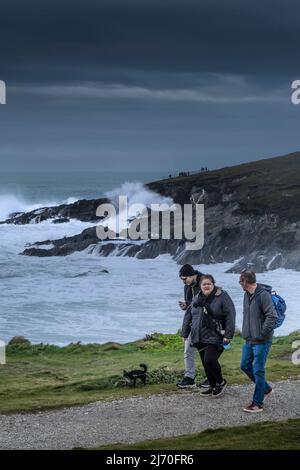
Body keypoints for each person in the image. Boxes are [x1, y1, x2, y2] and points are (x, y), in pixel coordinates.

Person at [190, 274, 236, 397]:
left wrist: (228, 335)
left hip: (216, 335)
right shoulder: (197, 298)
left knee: (209, 359)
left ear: (213, 284)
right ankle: (212, 385)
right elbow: (190, 315)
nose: (206, 286)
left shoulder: (222, 296)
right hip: (199, 336)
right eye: (204, 284)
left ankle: (221, 382)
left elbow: (230, 315)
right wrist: (185, 332)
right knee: (205, 363)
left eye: (209, 283)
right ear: (200, 286)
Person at [239, 270, 277, 413]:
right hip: (249, 340)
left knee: (258, 370)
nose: (240, 285)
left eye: (240, 282)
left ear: (244, 281)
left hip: (262, 340)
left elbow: (271, 316)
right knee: (244, 365)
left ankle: (257, 403)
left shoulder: (264, 295)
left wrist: (262, 334)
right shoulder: (246, 295)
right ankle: (265, 388)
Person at [176, 264, 205, 389]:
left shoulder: (205, 282)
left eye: (185, 279)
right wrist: (186, 306)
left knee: (206, 353)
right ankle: (189, 378)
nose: (184, 282)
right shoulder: (187, 287)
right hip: (193, 324)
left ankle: (212, 378)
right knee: (188, 350)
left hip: (206, 324)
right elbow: (191, 308)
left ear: (193, 275)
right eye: (182, 279)